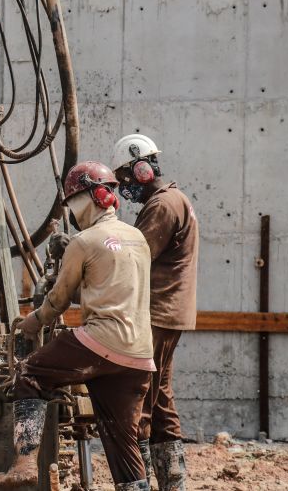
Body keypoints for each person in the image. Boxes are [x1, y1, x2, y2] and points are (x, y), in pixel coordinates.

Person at [0, 161, 155, 491]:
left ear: (86, 199)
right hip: (139, 356)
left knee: (30, 374)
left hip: (101, 341)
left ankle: (23, 465)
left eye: (72, 204)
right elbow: (109, 286)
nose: (72, 212)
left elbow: (58, 300)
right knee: (122, 441)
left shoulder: (84, 241)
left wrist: (31, 324)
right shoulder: (138, 238)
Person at [112, 134, 199, 491]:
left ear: (142, 169)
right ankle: (173, 483)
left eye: (125, 177)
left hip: (157, 312)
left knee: (141, 401)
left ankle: (138, 483)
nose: (123, 187)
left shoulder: (162, 205)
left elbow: (135, 256)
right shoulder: (176, 199)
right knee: (161, 399)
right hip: (170, 311)